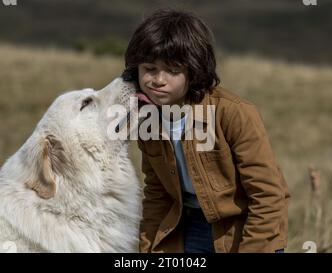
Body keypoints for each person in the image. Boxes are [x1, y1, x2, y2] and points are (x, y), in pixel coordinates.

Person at [122, 8, 290, 253]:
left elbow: (268, 196)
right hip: (186, 226)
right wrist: (148, 249)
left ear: (194, 71)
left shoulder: (234, 113)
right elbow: (157, 193)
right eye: (149, 68)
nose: (158, 79)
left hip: (245, 227)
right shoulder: (147, 116)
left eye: (173, 70)